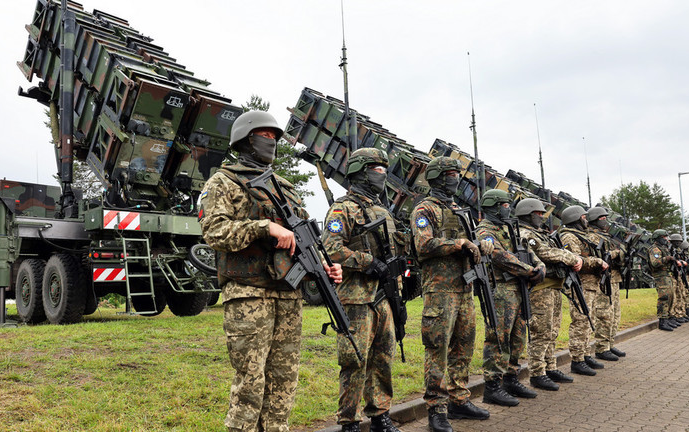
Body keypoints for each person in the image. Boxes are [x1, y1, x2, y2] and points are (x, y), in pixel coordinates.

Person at [199, 110, 342, 432]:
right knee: (250, 382)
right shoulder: (223, 181)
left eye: (276, 137)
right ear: (246, 139)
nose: (272, 142)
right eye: (266, 135)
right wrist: (265, 228)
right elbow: (214, 231)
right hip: (249, 293)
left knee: (284, 381)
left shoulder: (284, 186)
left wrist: (323, 265)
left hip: (287, 295)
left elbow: (303, 236)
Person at [321, 147, 401, 432]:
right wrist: (367, 262)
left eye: (383, 170)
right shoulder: (344, 208)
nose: (382, 175)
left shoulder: (383, 210)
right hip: (356, 297)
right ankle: (349, 422)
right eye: (376, 170)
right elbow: (330, 247)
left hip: (383, 297)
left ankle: (380, 415)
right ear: (359, 172)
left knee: (383, 357)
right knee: (354, 360)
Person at [410, 157, 492, 432]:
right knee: (438, 349)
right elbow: (423, 244)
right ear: (436, 177)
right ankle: (437, 408)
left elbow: (472, 241)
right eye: (449, 174)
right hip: (440, 291)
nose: (454, 178)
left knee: (463, 346)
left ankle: (459, 400)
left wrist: (482, 245)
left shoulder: (460, 209)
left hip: (465, 288)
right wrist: (458, 243)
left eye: (457, 173)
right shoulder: (425, 208)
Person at [476, 189, 544, 407]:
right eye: (505, 205)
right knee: (498, 338)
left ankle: (511, 378)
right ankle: (492, 387)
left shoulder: (509, 229)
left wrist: (539, 266)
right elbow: (499, 257)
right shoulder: (484, 231)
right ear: (494, 206)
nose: (508, 209)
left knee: (518, 336)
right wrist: (529, 270)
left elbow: (527, 252)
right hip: (501, 290)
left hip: (518, 288)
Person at [515, 198, 582, 391]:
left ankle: (550, 366)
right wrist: (571, 257)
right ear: (528, 214)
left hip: (553, 286)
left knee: (552, 330)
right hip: (540, 289)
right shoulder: (526, 233)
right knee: (541, 331)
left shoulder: (541, 233)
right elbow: (543, 252)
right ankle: (537, 372)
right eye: (538, 213)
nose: (542, 217)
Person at [558, 205, 608, 375]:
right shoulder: (569, 237)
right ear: (576, 219)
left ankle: (585, 354)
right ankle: (577, 360)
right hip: (580, 284)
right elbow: (576, 261)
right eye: (584, 217)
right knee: (580, 322)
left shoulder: (582, 236)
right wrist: (597, 262)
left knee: (588, 319)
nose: (586, 220)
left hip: (590, 285)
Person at [585, 207, 626, 361]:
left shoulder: (607, 235)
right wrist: (617, 252)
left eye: (605, 217)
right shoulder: (592, 236)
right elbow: (605, 254)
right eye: (602, 218)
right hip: (603, 279)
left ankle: (610, 343)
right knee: (604, 313)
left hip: (614, 278)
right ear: (595, 219)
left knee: (615, 314)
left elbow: (618, 251)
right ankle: (602, 347)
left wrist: (618, 252)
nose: (605, 220)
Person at [648, 229, 677, 332]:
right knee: (664, 297)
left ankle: (667, 317)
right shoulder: (654, 249)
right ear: (658, 238)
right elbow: (655, 263)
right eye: (664, 237)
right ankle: (662, 320)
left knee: (670, 296)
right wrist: (667, 259)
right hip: (660, 276)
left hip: (666, 275)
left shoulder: (663, 248)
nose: (666, 239)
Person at [668, 233, 689, 324]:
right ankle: (675, 314)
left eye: (680, 242)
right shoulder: (669, 250)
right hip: (672, 275)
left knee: (681, 294)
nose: (678, 243)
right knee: (675, 296)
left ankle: (681, 313)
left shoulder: (676, 251)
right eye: (677, 242)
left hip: (678, 274)